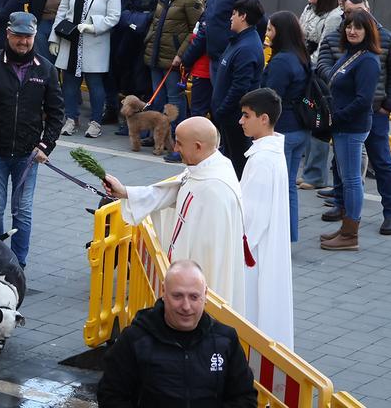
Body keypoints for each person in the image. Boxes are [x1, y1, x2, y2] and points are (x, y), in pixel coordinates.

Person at [104, 117, 248, 311]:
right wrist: (125, 192)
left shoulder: (215, 189)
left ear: (198, 146)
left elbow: (208, 257)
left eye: (179, 143)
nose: (175, 148)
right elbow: (172, 190)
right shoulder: (204, 167)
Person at [96, 260, 257, 408]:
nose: (186, 306)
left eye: (194, 297)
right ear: (164, 292)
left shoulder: (226, 340)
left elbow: (245, 398)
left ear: (205, 295)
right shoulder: (134, 339)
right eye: (178, 296)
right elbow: (110, 395)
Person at [0, 12, 65, 267]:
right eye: (18, 36)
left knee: (22, 211)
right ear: (8, 34)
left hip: (28, 155)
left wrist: (46, 145)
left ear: (34, 37)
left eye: (28, 37)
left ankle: (18, 264)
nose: (23, 41)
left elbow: (57, 113)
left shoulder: (45, 69)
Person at [319, 10, 383, 251]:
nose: (352, 31)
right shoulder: (351, 54)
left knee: (352, 180)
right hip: (343, 125)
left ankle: (350, 234)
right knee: (348, 179)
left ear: (368, 32)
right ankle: (346, 228)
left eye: (358, 27)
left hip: (350, 127)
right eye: (348, 26)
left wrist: (336, 118)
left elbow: (363, 100)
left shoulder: (368, 61)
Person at [237, 88, 295, 349]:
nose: (241, 121)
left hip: (254, 253)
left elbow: (253, 218)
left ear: (263, 119)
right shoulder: (271, 153)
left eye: (246, 115)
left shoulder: (262, 160)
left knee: (253, 310)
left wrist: (237, 249)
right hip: (264, 248)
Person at [50, 0, 120, 139]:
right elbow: (62, 11)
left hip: (94, 44)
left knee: (95, 84)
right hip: (70, 41)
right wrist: (54, 39)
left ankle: (96, 122)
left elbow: (114, 16)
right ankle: (71, 119)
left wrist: (93, 26)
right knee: (69, 83)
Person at [262, 11, 310, 241]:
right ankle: (288, 235)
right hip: (299, 127)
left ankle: (278, 237)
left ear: (280, 32)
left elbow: (270, 97)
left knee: (277, 187)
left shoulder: (282, 61)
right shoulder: (300, 55)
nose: (267, 34)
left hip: (283, 129)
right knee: (288, 185)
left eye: (270, 29)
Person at [143, 0, 202, 131]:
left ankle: (177, 135)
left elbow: (195, 30)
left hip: (173, 60)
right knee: (158, 97)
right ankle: (157, 134)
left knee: (174, 99)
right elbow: (156, 21)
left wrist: (181, 54)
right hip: (156, 54)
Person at [210, 0, 265, 176]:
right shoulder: (238, 41)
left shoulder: (247, 47)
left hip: (235, 118)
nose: (231, 17)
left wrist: (222, 110)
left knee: (238, 166)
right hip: (228, 117)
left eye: (234, 14)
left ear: (243, 16)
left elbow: (240, 87)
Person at [298, 0, 341, 190]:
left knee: (318, 122)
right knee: (305, 119)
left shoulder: (334, 17)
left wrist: (304, 64)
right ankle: (307, 171)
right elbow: (299, 34)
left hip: (318, 73)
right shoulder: (308, 9)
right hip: (303, 65)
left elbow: (325, 48)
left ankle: (315, 175)